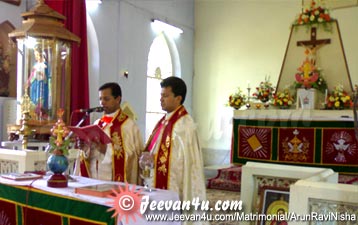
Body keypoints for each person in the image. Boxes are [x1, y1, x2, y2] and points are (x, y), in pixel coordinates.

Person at [145, 76, 207, 203]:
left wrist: (154, 159)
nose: (161, 99)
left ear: (178, 98)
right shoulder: (163, 121)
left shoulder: (184, 126)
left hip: (174, 188)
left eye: (165, 96)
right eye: (161, 95)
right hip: (155, 182)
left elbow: (183, 163)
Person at [74, 82, 144, 184]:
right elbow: (90, 154)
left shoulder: (129, 126)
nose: (102, 103)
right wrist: (85, 148)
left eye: (106, 99)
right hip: (93, 177)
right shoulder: (97, 123)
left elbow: (132, 157)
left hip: (112, 180)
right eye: (100, 99)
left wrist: (105, 150)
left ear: (117, 99)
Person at [27, 47, 50, 120]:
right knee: (34, 101)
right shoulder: (35, 65)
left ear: (41, 55)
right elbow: (32, 75)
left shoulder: (45, 65)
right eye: (35, 55)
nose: (36, 57)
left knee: (41, 100)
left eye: (37, 55)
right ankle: (35, 114)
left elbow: (47, 76)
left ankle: (42, 114)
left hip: (42, 85)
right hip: (35, 85)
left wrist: (41, 74)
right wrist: (28, 82)